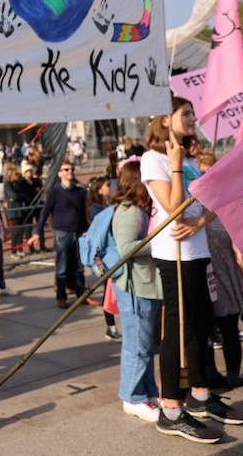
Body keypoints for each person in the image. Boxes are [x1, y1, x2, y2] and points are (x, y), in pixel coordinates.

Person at [142, 96, 243, 442]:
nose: (192, 117)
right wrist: (173, 163)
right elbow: (172, 210)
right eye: (184, 113)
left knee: (202, 325)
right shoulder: (153, 159)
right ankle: (170, 409)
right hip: (174, 256)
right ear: (165, 120)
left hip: (198, 253)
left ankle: (200, 395)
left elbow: (213, 204)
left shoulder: (188, 160)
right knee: (176, 330)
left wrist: (201, 220)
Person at [110, 159, 163, 423]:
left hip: (141, 285)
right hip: (136, 287)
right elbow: (126, 248)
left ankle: (146, 392)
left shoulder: (135, 209)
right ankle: (133, 397)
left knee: (143, 344)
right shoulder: (130, 210)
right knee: (138, 345)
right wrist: (158, 240)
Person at [197, 151, 243, 389]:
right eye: (202, 170)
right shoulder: (193, 211)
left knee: (229, 329)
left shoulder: (226, 208)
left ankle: (232, 375)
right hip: (204, 278)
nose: (207, 173)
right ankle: (209, 373)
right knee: (205, 331)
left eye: (210, 169)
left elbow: (240, 245)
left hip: (226, 279)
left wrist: (241, 272)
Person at [32, 160, 97, 309]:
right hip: (62, 232)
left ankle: (82, 296)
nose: (70, 172)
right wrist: (37, 232)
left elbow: (85, 212)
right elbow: (45, 212)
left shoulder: (80, 191)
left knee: (79, 267)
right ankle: (61, 296)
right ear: (60, 173)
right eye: (66, 169)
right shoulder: (55, 191)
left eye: (71, 169)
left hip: (79, 232)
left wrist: (88, 228)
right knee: (62, 267)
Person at [87, 176, 121, 343]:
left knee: (112, 290)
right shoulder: (96, 208)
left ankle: (112, 326)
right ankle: (111, 326)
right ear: (99, 190)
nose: (110, 187)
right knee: (108, 290)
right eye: (107, 186)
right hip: (106, 256)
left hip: (112, 253)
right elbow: (103, 224)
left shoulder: (110, 204)